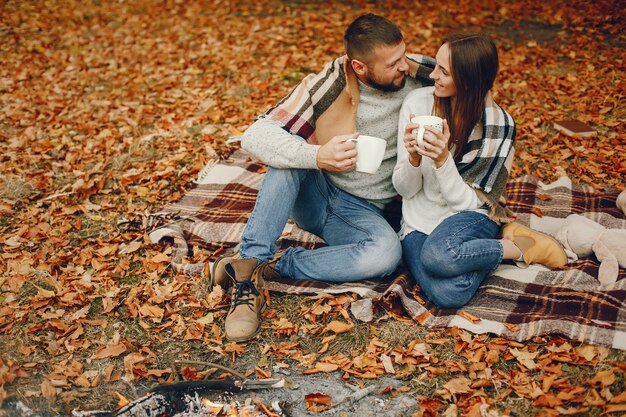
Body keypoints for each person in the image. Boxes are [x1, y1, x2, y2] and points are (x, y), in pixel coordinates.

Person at [211, 13, 437, 342]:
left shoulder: (420, 73)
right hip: (317, 194)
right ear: (359, 67)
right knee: (286, 155)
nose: (404, 66)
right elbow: (255, 135)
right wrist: (318, 156)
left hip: (362, 212)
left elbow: (470, 78)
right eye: (392, 63)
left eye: (404, 55)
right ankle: (247, 273)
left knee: (385, 255)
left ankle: (270, 268)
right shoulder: (328, 83)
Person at [393, 32, 567, 310]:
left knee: (438, 256)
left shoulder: (498, 126)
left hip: (471, 215)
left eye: (444, 71)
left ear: (468, 80)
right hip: (419, 220)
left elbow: (467, 203)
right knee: (450, 294)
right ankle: (503, 248)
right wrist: (413, 158)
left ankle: (515, 245)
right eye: (436, 66)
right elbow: (405, 190)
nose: (433, 75)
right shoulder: (417, 104)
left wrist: (441, 160)